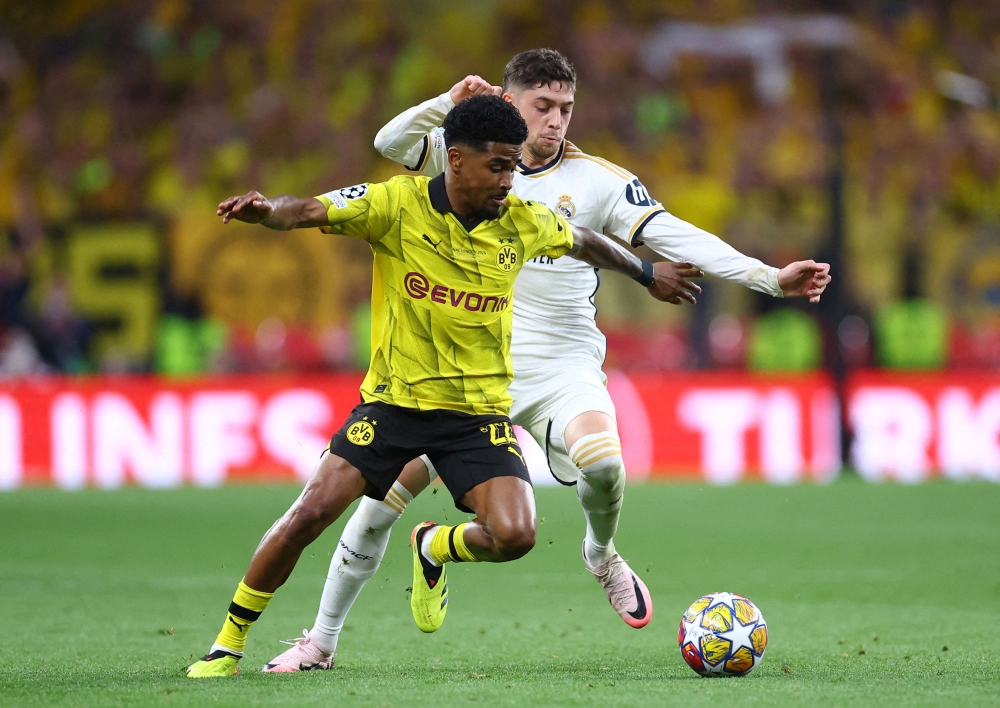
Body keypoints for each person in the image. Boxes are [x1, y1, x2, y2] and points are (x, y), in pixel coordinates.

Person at [263, 49, 831, 673]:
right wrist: (446, 103)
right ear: (510, 104)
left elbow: (676, 235)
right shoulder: (471, 159)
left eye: (565, 107)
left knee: (606, 465)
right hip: (463, 370)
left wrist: (771, 278)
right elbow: (389, 140)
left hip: (561, 361)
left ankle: (599, 553)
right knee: (378, 505)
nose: (557, 120)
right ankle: (319, 642)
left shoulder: (599, 182)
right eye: (543, 106)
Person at [187, 94, 697, 678]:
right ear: (455, 159)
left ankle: (434, 544)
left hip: (477, 416)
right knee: (312, 513)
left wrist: (646, 270)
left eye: (514, 166)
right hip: (394, 406)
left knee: (516, 535)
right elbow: (305, 210)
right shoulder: (394, 204)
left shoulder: (523, 222)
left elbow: (584, 241)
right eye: (499, 166)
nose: (510, 180)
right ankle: (228, 645)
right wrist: (265, 213)